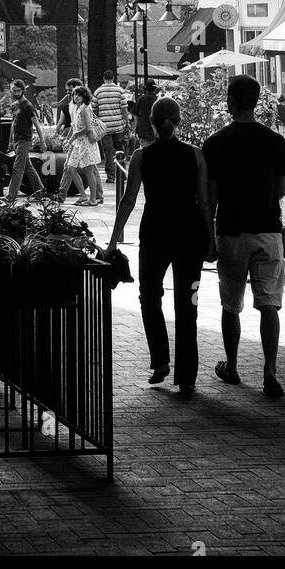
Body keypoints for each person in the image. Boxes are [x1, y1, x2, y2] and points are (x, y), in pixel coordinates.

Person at [104, 97, 212, 395]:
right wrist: (211, 238)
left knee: (149, 296)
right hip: (189, 234)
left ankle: (160, 360)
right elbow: (204, 202)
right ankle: (187, 376)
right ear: (179, 122)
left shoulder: (141, 156)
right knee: (187, 305)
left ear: (151, 122)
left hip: (154, 233)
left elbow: (128, 201)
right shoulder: (196, 156)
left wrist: (113, 242)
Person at [202, 74, 285, 399]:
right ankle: (270, 370)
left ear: (230, 102)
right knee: (269, 304)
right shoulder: (275, 141)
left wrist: (208, 237)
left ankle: (234, 366)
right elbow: (281, 188)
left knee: (231, 305)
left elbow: (210, 197)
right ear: (257, 102)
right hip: (267, 229)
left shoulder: (214, 143)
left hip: (230, 229)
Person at [6, 80, 44, 203]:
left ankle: (11, 195)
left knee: (18, 168)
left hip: (25, 140)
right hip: (17, 140)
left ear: (23, 90)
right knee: (28, 167)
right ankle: (40, 191)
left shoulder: (27, 106)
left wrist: (42, 141)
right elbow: (13, 124)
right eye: (14, 90)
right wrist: (10, 141)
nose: (16, 93)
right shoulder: (14, 105)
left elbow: (36, 124)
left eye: (18, 90)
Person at [93, 69, 130, 190]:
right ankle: (122, 174)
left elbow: (94, 110)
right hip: (118, 125)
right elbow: (124, 109)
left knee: (108, 151)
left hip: (104, 127)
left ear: (104, 78)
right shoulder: (119, 90)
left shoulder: (98, 92)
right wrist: (127, 122)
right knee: (120, 149)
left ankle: (111, 176)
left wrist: (97, 123)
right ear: (113, 78)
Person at [67, 86, 104, 206]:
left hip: (86, 143)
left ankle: (93, 199)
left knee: (89, 171)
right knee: (71, 169)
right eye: (74, 94)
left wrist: (75, 135)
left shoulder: (85, 109)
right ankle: (83, 195)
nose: (76, 97)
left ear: (84, 96)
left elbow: (88, 128)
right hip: (79, 144)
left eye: (79, 95)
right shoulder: (78, 108)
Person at [135, 79, 160, 146]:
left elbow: (136, 116)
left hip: (143, 131)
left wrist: (136, 129)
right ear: (154, 89)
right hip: (155, 132)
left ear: (146, 88)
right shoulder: (158, 100)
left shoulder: (140, 99)